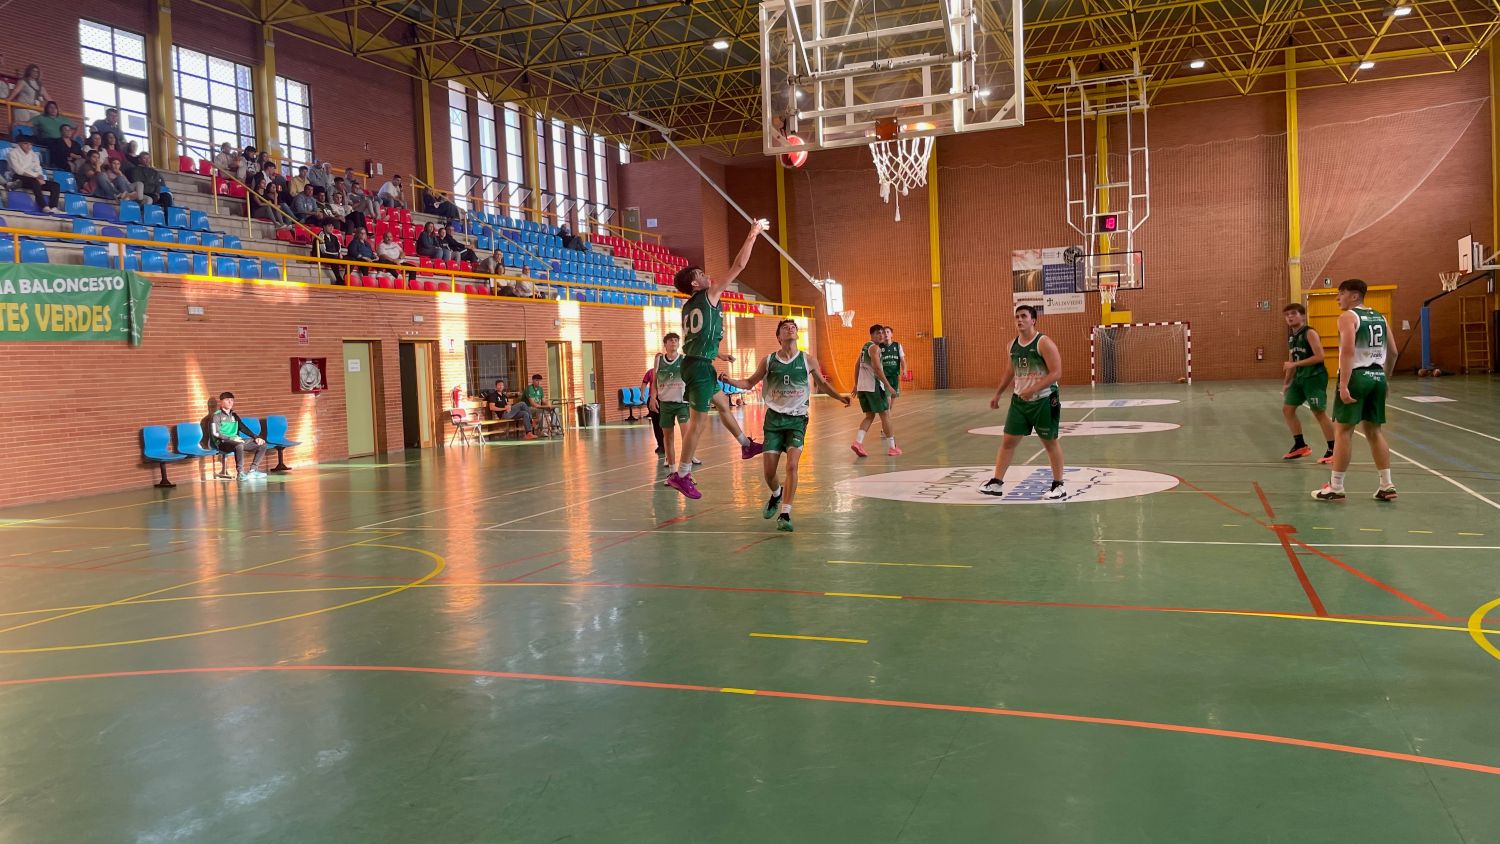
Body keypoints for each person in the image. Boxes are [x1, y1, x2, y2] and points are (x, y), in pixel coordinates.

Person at [663, 220, 768, 500]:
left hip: (700, 363)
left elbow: (697, 339)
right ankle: (681, 475)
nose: (708, 275)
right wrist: (752, 233)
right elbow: (739, 266)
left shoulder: (689, 306)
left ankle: (745, 444)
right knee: (698, 423)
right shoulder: (708, 295)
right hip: (697, 367)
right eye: (701, 273)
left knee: (723, 404)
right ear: (695, 284)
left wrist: (717, 354)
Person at [723, 319, 850, 532]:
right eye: (785, 328)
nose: (790, 330)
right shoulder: (769, 360)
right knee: (769, 472)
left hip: (797, 420)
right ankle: (776, 494)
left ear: (797, 335)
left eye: (793, 328)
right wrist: (730, 380)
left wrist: (839, 397)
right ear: (779, 337)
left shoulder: (807, 360)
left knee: (792, 465)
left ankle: (785, 513)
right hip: (774, 420)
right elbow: (749, 383)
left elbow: (823, 384)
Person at [1313, 279, 1396, 502]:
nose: (1337, 298)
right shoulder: (1380, 317)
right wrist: (1385, 379)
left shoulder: (1348, 317)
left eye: (1341, 293)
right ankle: (1387, 485)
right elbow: (1394, 352)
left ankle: (1336, 487)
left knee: (1343, 431)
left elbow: (1348, 351)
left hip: (1357, 376)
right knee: (1374, 431)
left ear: (1354, 296)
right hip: (1378, 375)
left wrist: (1343, 385)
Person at [979, 305, 1067, 500]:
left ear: (1033, 320)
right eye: (1017, 317)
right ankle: (996, 482)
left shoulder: (1043, 343)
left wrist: (1034, 389)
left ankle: (1059, 485)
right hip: (1020, 401)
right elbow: (1010, 371)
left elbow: (1056, 372)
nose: (1019, 320)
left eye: (1024, 316)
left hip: (1044, 399)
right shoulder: (1012, 345)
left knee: (1050, 443)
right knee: (1008, 441)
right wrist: (998, 394)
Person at [1280, 303, 1335, 463]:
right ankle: (1300, 445)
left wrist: (1295, 365)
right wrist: (1286, 382)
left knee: (1318, 412)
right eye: (1287, 315)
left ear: (1302, 316)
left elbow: (1320, 356)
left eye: (1293, 313)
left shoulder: (1309, 333)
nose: (1289, 317)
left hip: (1314, 377)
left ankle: (1334, 448)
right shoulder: (1292, 336)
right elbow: (1291, 360)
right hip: (1300, 378)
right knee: (1287, 410)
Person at [648, 333, 696, 473]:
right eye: (670, 340)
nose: (673, 342)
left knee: (686, 437)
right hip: (665, 404)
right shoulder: (659, 359)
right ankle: (672, 472)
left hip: (682, 403)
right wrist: (652, 397)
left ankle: (686, 472)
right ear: (665, 344)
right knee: (668, 438)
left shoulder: (684, 359)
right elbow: (655, 380)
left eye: (676, 340)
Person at [851, 324, 900, 457]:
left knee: (870, 415)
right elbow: (878, 369)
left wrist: (856, 384)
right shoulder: (875, 348)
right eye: (878, 333)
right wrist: (888, 386)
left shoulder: (865, 347)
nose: (882, 335)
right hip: (874, 387)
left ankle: (858, 442)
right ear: (872, 335)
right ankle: (892, 447)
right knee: (886, 414)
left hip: (863, 388)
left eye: (883, 333)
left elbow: (857, 365)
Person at [208, 392, 268, 481]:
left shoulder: (234, 416)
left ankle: (253, 470)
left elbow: (243, 428)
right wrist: (231, 438)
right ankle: (240, 473)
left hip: (236, 440)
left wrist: (256, 437)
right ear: (221, 402)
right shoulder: (216, 416)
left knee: (262, 444)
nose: (230, 402)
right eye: (227, 400)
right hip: (222, 443)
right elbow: (215, 433)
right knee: (239, 445)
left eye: (232, 400)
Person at [5, 135, 61, 213]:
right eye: (26, 143)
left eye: (30, 144)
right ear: (20, 143)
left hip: (34, 178)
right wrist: (36, 177)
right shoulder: (12, 153)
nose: (29, 146)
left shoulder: (34, 155)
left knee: (55, 185)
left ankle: (53, 207)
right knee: (35, 182)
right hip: (18, 177)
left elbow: (38, 168)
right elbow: (18, 170)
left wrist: (40, 177)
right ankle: (44, 206)